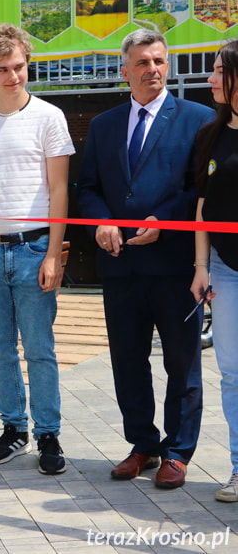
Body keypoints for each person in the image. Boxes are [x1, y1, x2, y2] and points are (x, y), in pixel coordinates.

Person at [78, 28, 213, 489]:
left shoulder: (197, 119)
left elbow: (201, 190)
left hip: (175, 266)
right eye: (142, 62)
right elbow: (88, 188)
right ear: (125, 70)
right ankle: (143, 445)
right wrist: (101, 221)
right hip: (121, 268)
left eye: (159, 61)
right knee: (127, 361)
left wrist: (167, 217)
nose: (152, 70)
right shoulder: (104, 125)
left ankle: (178, 452)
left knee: (182, 364)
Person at [0, 24, 74, 475]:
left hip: (33, 247)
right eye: (2, 69)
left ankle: (48, 434)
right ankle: (13, 428)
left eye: (19, 66)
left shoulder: (49, 117)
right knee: (1, 346)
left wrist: (52, 255)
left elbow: (60, 191)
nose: (13, 76)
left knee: (39, 347)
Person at [191, 39, 238, 502]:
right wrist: (201, 267)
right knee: (232, 373)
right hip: (226, 270)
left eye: (220, 70)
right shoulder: (211, 134)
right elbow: (202, 208)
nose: (211, 78)